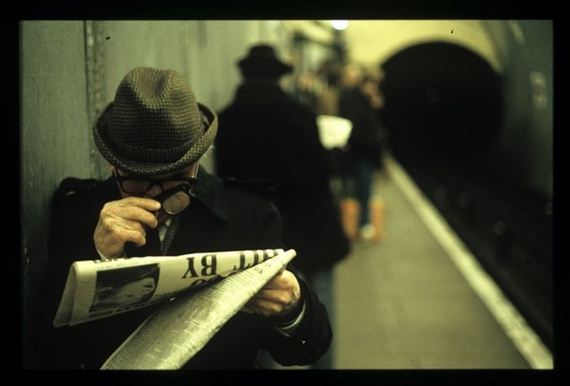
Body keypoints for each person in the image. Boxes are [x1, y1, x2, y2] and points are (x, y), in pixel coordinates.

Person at [33, 66, 332, 369]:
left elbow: (305, 349)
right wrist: (95, 254)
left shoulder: (249, 216)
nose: (157, 196)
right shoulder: (79, 211)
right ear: (113, 165)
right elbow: (47, 345)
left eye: (175, 179)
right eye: (137, 179)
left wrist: (293, 307)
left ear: (197, 161)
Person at [215, 44, 350, 369]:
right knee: (316, 310)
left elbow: (228, 180)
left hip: (259, 234)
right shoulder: (299, 115)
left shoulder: (227, 120)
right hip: (311, 228)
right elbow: (320, 171)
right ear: (279, 76)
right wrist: (336, 153)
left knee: (263, 314)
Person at [338, 65, 386, 241]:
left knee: (361, 190)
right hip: (360, 153)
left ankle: (358, 225)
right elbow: (360, 128)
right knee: (362, 191)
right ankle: (361, 225)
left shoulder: (368, 101)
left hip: (366, 154)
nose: (373, 89)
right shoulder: (354, 101)